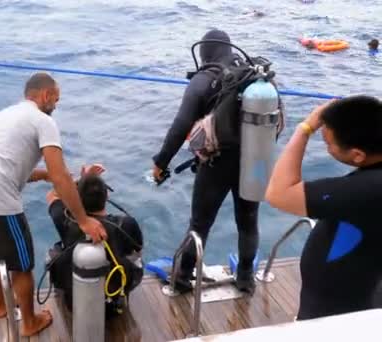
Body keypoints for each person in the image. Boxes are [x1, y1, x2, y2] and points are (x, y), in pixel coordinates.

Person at [0, 72, 107, 336]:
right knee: (22, 265)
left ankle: (1, 305)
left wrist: (44, 176)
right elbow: (59, 173)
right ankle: (30, 322)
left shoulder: (6, 115)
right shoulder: (43, 121)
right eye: (56, 100)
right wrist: (83, 220)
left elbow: (6, 163)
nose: (56, 105)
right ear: (45, 95)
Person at [152, 29, 265, 294]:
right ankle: (246, 280)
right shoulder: (252, 73)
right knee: (248, 221)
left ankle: (180, 279)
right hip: (255, 160)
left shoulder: (204, 80)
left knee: (200, 224)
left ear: (205, 53)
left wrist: (161, 163)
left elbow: (181, 126)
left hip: (217, 163)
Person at [266, 96, 382, 320]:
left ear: (358, 155)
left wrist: (305, 129)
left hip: (338, 310)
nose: (327, 147)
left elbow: (278, 194)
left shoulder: (370, 189)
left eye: (329, 144)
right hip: (353, 289)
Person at [45, 164, 143, 314]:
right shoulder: (126, 224)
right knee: (134, 256)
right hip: (114, 303)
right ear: (107, 196)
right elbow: (139, 250)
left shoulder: (66, 220)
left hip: (76, 304)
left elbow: (52, 196)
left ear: (77, 197)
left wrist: (80, 180)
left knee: (53, 253)